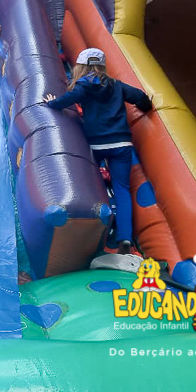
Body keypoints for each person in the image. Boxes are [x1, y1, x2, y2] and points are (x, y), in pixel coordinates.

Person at [44, 48, 152, 255]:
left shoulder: (83, 86)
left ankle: (99, 232)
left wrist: (51, 103)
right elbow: (140, 97)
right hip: (121, 144)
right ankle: (125, 238)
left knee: (93, 185)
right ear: (102, 66)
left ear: (81, 67)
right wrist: (146, 106)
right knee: (122, 189)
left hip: (97, 145)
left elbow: (67, 100)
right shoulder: (116, 85)